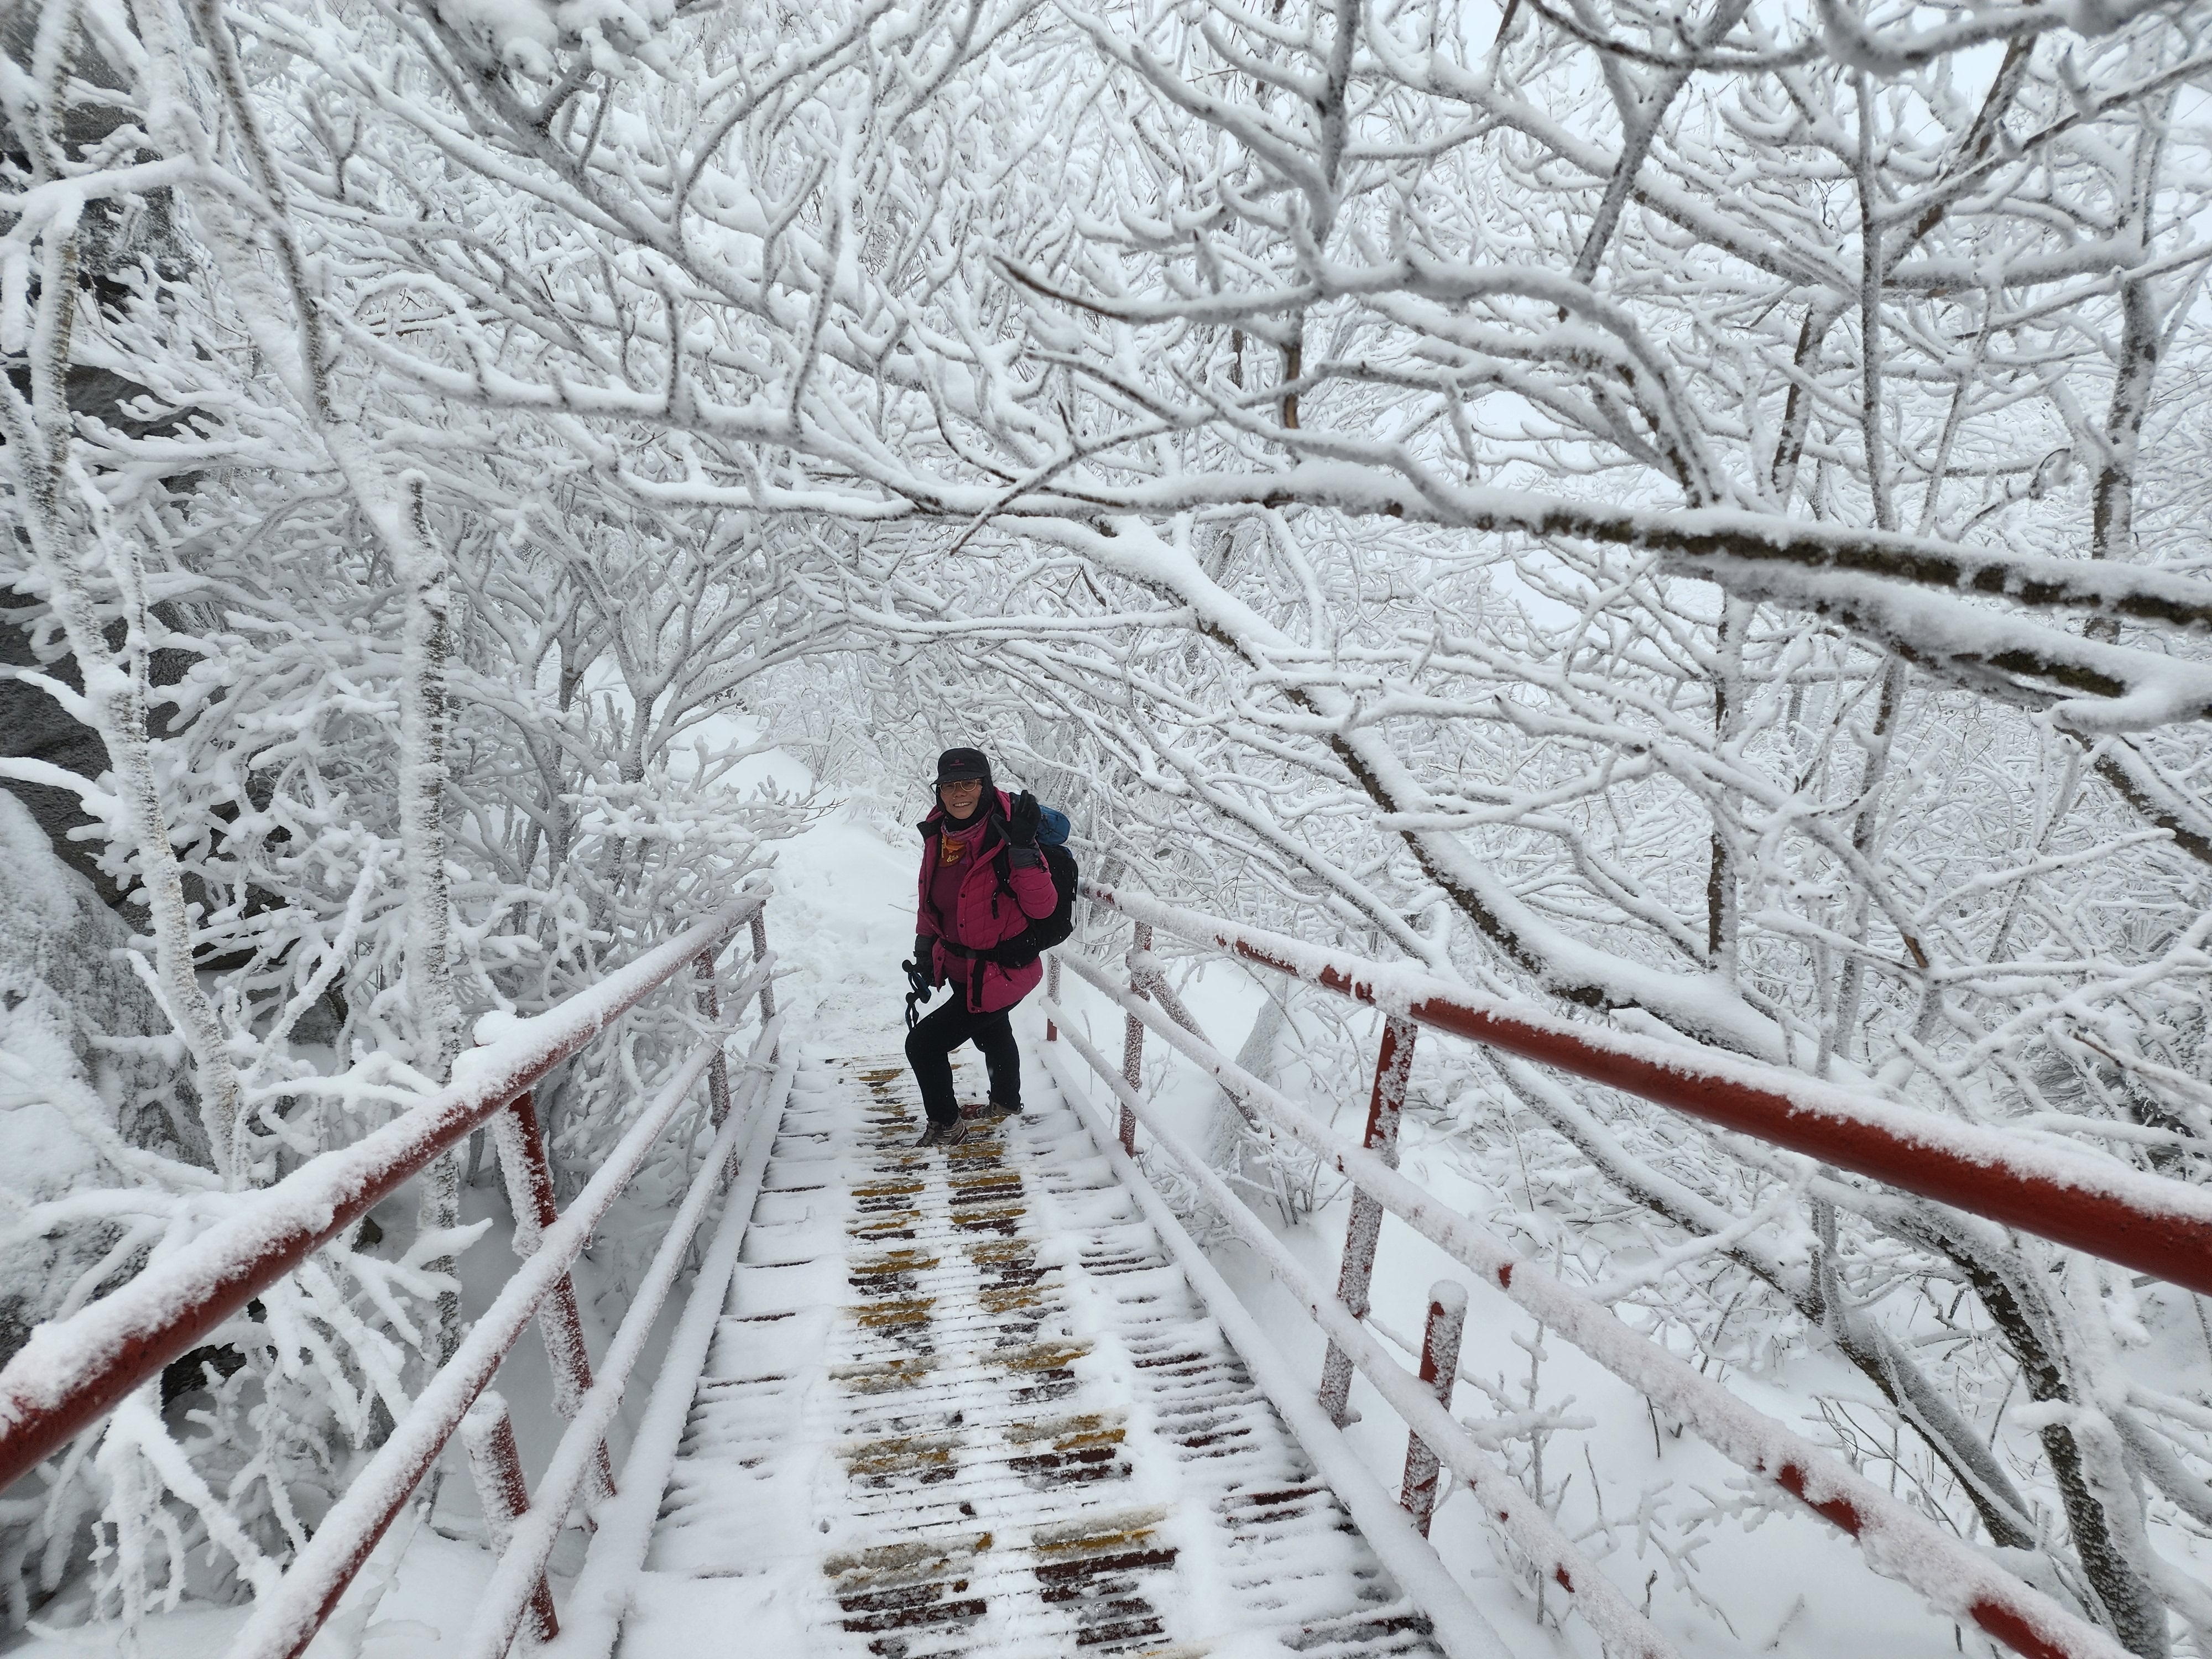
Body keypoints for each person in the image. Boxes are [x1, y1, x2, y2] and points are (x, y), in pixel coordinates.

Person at [904, 748, 1059, 1148]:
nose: (959, 794)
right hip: (964, 968)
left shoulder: (1009, 835)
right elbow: (930, 900)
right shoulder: (940, 833)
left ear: (985, 785)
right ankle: (1006, 1103)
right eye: (949, 785)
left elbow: (1043, 906)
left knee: (923, 1045)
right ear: (939, 791)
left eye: (969, 783)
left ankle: (947, 1127)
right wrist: (924, 948)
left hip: (1003, 970)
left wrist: (1023, 848)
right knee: (991, 1033)